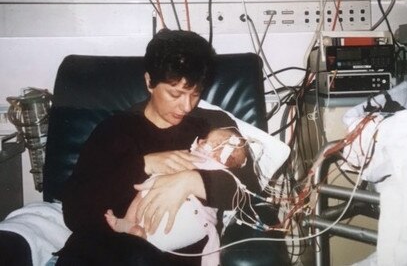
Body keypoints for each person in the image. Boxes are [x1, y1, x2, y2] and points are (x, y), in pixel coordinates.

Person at [56, 29, 262, 266]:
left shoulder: (213, 127)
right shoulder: (116, 129)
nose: (186, 106)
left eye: (195, 94)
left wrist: (191, 181)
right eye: (176, 94)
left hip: (171, 254)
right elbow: (75, 212)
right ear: (149, 82)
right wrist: (143, 164)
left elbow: (253, 190)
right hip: (106, 249)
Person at [104, 127, 249, 266]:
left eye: (205, 141)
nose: (199, 141)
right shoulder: (128, 126)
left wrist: (190, 180)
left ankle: (143, 237)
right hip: (157, 197)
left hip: (193, 216)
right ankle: (129, 223)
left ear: (220, 154)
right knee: (145, 190)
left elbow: (243, 186)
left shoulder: (218, 168)